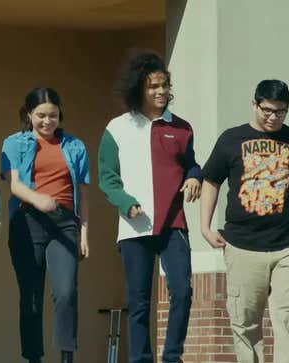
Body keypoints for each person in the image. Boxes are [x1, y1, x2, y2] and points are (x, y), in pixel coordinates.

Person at [200, 79, 289, 363]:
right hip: (242, 245)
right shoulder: (231, 139)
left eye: (280, 111)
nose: (273, 117)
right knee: (244, 322)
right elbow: (211, 182)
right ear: (254, 104)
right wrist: (205, 227)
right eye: (267, 110)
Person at [98, 51, 201, 363]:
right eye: (153, 86)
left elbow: (191, 165)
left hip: (173, 224)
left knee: (182, 292)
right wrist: (125, 203)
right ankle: (141, 359)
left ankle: (172, 358)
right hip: (135, 226)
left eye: (165, 85)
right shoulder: (117, 128)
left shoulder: (182, 128)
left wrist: (195, 177)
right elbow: (107, 178)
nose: (161, 92)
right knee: (139, 300)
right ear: (138, 89)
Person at [1, 87, 90, 363]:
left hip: (64, 224)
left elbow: (83, 193)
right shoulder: (14, 143)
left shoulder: (75, 146)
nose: (47, 121)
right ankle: (34, 358)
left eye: (53, 115)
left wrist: (84, 233)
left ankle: (66, 356)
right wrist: (38, 200)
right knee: (31, 296)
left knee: (66, 292)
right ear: (29, 115)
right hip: (28, 222)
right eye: (41, 115)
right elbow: (14, 184)